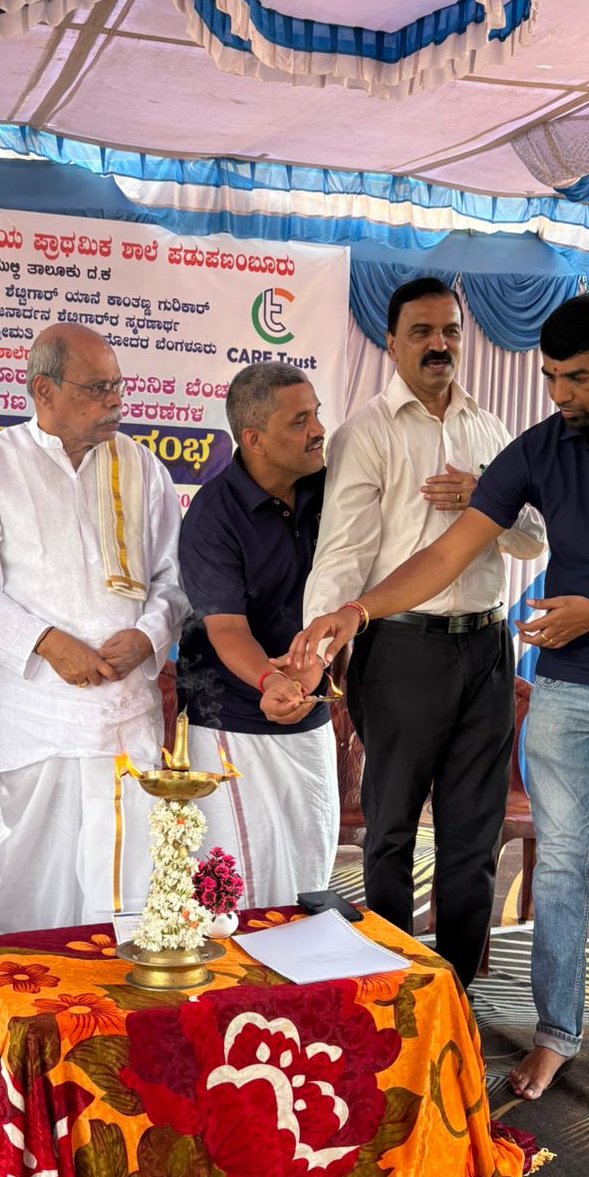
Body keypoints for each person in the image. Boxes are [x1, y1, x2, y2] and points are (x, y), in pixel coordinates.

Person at [294, 293, 589, 1107]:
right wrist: (356, 611)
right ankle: (555, 1034)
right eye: (550, 378)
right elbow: (449, 554)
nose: (560, 395)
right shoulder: (541, 445)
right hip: (566, 690)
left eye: (578, 379)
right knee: (561, 867)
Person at [301, 277, 546, 987]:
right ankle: (388, 986)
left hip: (487, 649)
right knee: (392, 831)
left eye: (450, 331)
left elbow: (533, 538)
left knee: (474, 834)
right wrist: (320, 646)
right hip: (401, 650)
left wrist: (486, 501)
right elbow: (342, 551)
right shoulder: (366, 433)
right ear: (391, 343)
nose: (439, 345)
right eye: (422, 332)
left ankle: (454, 992)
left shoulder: (491, 430)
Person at [0, 323, 186, 934]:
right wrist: (45, 644)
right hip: (35, 716)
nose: (115, 401)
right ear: (43, 390)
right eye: (97, 388)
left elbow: (172, 573)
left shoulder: (142, 466)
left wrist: (149, 636)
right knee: (32, 886)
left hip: (126, 716)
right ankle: (29, 994)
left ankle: (116, 997)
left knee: (126, 886)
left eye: (118, 386)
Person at [177, 364, 338, 907]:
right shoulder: (213, 515)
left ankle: (304, 966)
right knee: (237, 889)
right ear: (254, 439)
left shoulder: (334, 489)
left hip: (309, 711)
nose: (318, 430)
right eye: (299, 421)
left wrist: (314, 669)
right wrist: (272, 681)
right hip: (231, 722)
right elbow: (227, 629)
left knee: (310, 875)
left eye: (316, 414)